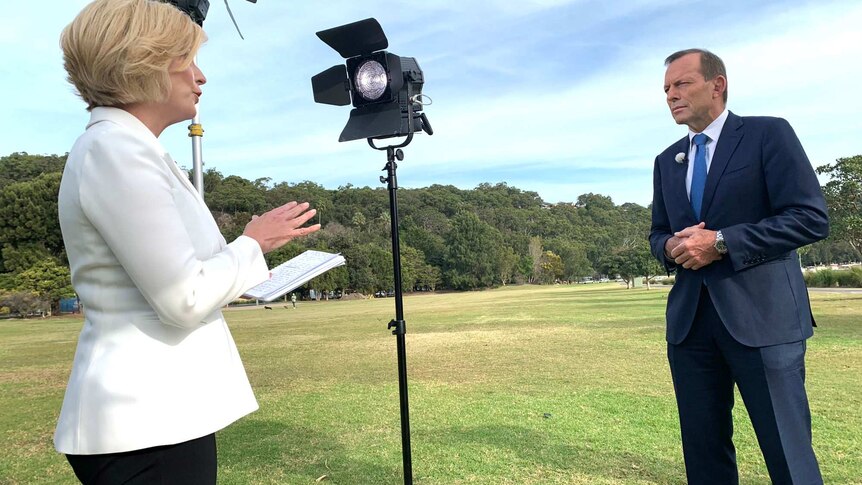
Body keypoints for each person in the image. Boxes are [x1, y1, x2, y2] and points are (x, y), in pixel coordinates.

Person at [54, 1, 321, 483]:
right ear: (145, 62)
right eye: (188, 60)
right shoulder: (116, 150)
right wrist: (253, 243)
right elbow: (184, 297)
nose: (200, 77)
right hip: (142, 422)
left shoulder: (129, 148)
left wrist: (253, 247)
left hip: (159, 417)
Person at [649, 48, 828, 484]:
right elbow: (657, 234)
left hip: (764, 321)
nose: (671, 95)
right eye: (666, 88)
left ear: (717, 84)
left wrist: (724, 242)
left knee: (788, 453)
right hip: (691, 327)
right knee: (704, 455)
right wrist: (671, 245)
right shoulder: (666, 160)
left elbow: (810, 218)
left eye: (682, 83)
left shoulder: (768, 135)